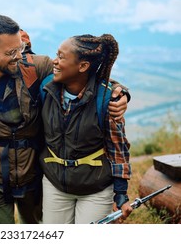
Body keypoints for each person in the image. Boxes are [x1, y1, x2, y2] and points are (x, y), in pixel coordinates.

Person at [0, 14, 129, 224]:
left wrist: (119, 92)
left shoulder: (35, 67)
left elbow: (80, 75)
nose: (19, 56)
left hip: (34, 172)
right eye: (11, 52)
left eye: (21, 48)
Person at [40, 34, 133, 224]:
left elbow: (118, 148)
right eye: (56, 55)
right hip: (55, 184)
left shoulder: (107, 99)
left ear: (82, 66)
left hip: (96, 189)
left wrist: (121, 192)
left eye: (62, 57)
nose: (55, 61)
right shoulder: (46, 88)